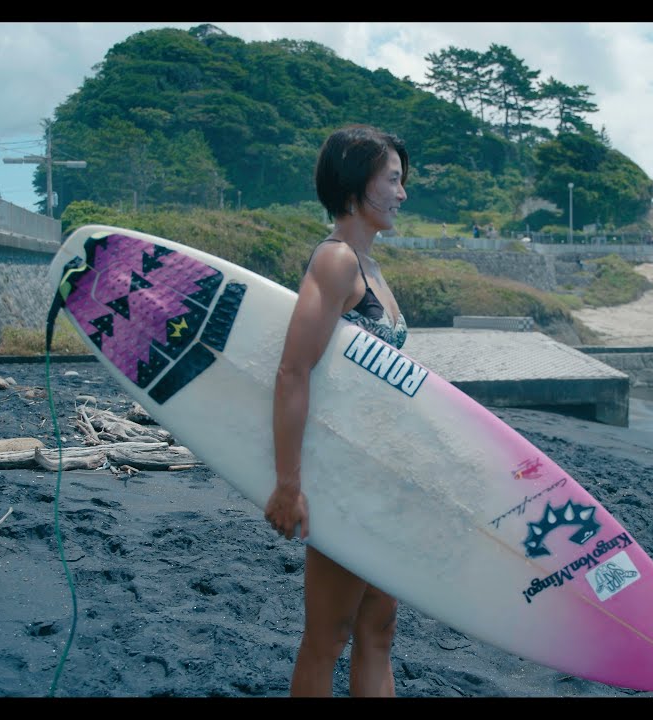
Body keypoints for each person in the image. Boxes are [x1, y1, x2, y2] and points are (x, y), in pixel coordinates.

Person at [265, 124, 409, 697]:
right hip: (344, 476)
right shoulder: (336, 262)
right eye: (393, 180)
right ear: (357, 183)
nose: (402, 193)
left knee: (378, 628)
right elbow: (292, 371)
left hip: (383, 477)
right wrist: (287, 484)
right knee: (329, 637)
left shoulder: (372, 268)